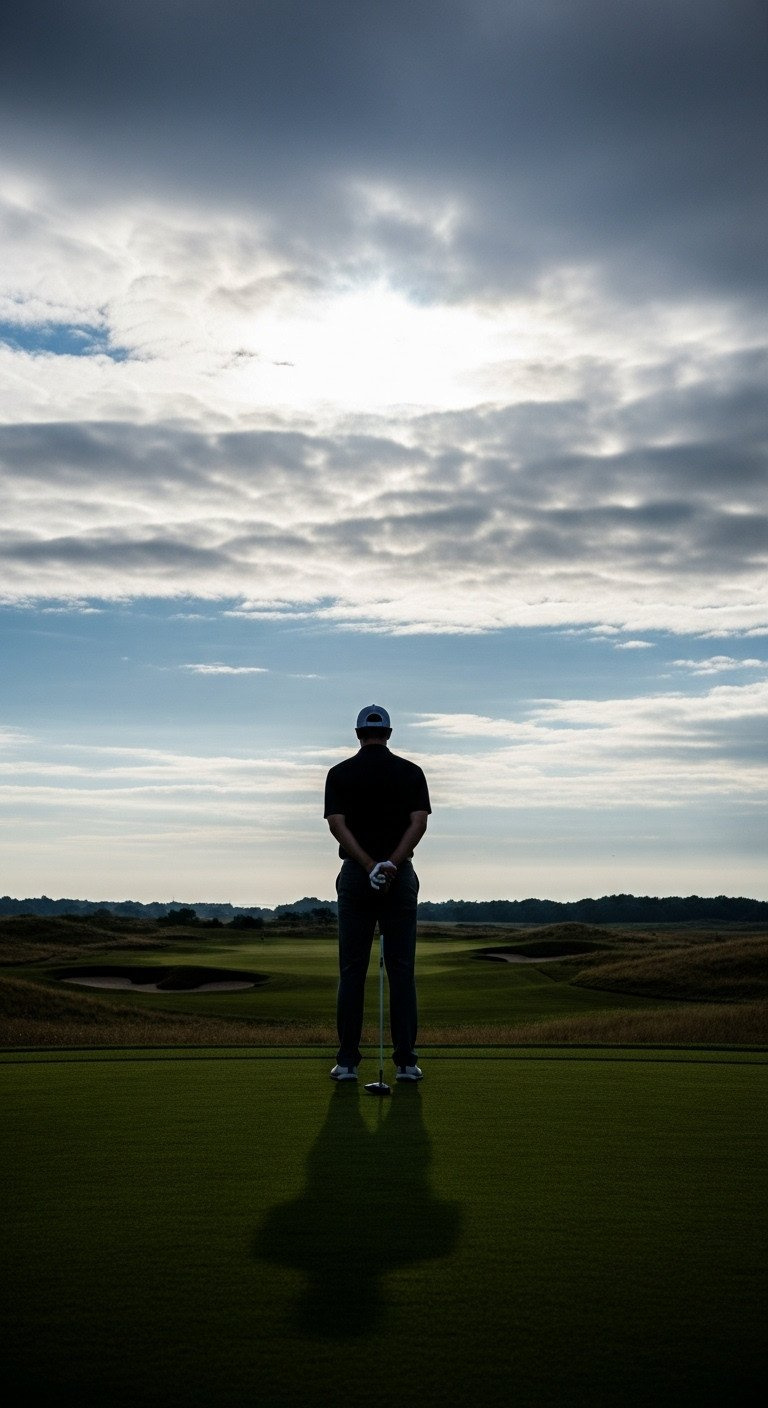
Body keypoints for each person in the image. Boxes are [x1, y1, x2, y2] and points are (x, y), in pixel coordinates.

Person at [323, 705, 431, 1083]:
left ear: (357, 733)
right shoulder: (411, 772)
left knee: (352, 970)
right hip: (400, 878)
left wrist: (369, 866)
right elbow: (419, 823)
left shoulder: (339, 774)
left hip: (355, 876)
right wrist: (392, 865)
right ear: (389, 732)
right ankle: (406, 1064)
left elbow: (338, 826)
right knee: (401, 971)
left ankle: (348, 1063)